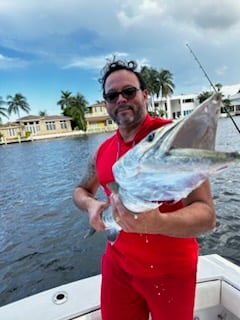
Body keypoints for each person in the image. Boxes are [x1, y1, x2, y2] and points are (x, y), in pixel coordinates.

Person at [73, 59, 216, 320]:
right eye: (112, 95)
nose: (121, 100)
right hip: (118, 268)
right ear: (105, 102)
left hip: (172, 273)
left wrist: (157, 222)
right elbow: (81, 190)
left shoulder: (171, 137)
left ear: (145, 94)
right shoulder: (102, 151)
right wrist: (91, 206)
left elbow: (206, 216)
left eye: (129, 91)